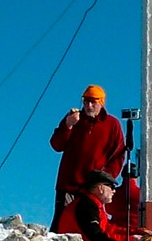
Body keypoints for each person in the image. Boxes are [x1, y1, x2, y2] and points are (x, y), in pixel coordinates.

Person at [49, 85, 125, 230]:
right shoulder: (73, 119)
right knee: (61, 226)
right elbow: (56, 145)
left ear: (101, 103)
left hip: (93, 187)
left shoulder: (112, 124)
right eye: (85, 101)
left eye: (93, 102)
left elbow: (118, 155)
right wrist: (68, 126)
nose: (88, 105)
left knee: (90, 225)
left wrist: (104, 178)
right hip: (68, 184)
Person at [55, 169, 145, 241]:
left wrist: (135, 232)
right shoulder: (86, 206)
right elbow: (95, 236)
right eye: (111, 187)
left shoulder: (93, 204)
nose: (114, 191)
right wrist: (128, 240)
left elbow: (107, 228)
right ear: (101, 188)